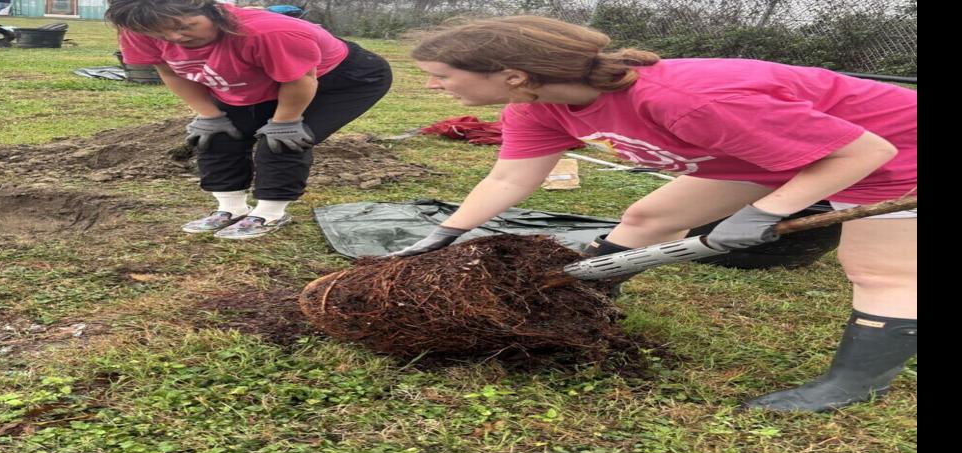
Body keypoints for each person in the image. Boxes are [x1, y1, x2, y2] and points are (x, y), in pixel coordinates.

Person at [396, 16, 916, 413]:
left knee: (880, 271)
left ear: (513, 75)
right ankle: (587, 296)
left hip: (888, 149)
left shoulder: (685, 99)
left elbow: (860, 153)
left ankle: (852, 384)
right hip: (772, 150)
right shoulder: (535, 107)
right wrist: (448, 230)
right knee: (646, 218)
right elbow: (510, 178)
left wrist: (766, 211)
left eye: (441, 76)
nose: (433, 87)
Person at [108, 0, 392, 239]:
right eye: (160, 34)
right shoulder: (142, 29)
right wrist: (208, 114)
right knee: (217, 133)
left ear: (211, 8)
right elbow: (170, 71)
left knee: (283, 138)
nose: (174, 38)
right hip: (256, 79)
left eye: (183, 26)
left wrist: (285, 122)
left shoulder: (268, 32)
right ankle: (231, 208)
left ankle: (269, 214)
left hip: (340, 78)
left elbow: (300, 79)